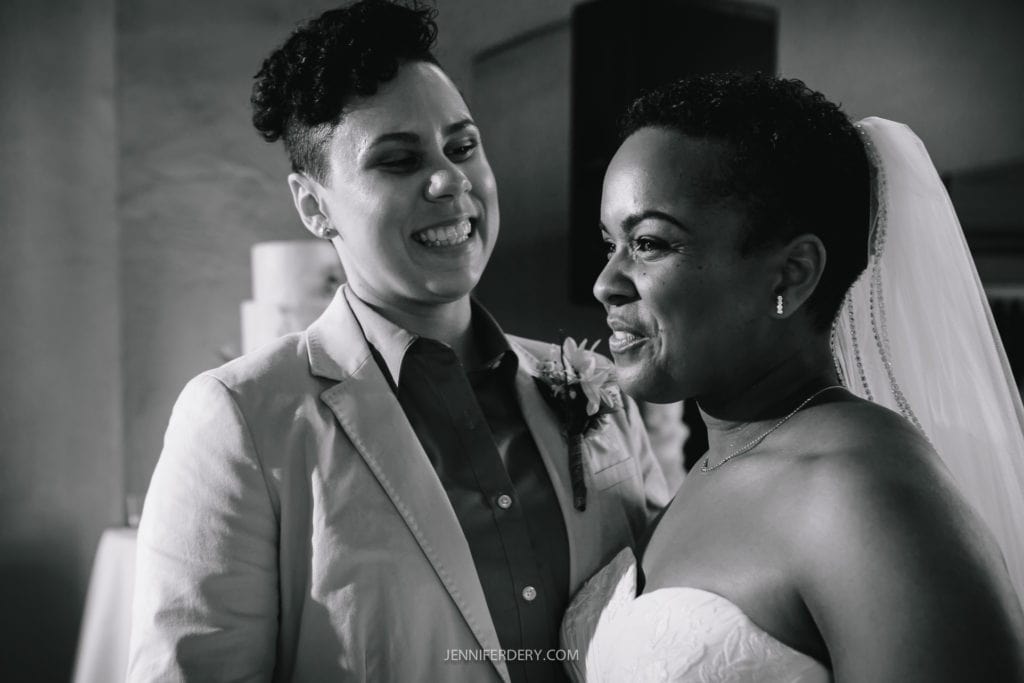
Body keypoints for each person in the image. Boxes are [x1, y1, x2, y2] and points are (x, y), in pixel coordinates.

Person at [127, 2, 669, 681]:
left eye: (463, 146)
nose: (449, 180)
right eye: (397, 160)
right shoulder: (242, 418)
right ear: (313, 205)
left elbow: (661, 611)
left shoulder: (595, 381)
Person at [561, 73, 1024, 681]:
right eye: (609, 243)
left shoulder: (862, 495)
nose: (606, 283)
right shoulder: (716, 462)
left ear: (792, 274)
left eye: (649, 243)